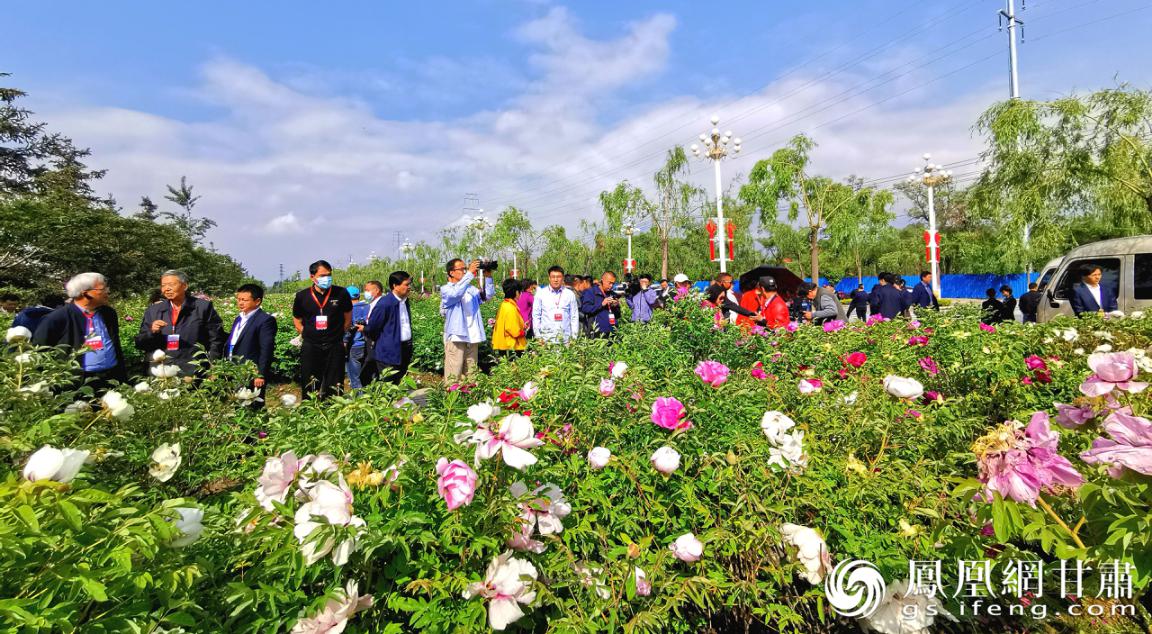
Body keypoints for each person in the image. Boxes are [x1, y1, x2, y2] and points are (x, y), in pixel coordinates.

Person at [33, 272, 127, 391]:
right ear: (86, 293)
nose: (107, 291)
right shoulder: (58, 318)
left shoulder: (108, 313)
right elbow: (40, 350)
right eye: (102, 289)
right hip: (78, 382)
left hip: (111, 378)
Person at [135, 269, 225, 375]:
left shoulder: (202, 307)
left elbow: (216, 339)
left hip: (194, 371)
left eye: (171, 284)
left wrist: (212, 366)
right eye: (163, 285)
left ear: (185, 286)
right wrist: (152, 331)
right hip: (162, 371)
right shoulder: (154, 310)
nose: (167, 289)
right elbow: (140, 343)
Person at [292, 260, 354, 400]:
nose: (327, 278)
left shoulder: (341, 293)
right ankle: (310, 413)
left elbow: (348, 318)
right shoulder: (302, 296)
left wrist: (337, 335)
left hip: (334, 345)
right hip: (311, 345)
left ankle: (333, 411)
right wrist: (307, 334)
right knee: (310, 381)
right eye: (322, 275)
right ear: (312, 277)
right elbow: (297, 319)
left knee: (335, 382)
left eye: (329, 275)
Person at [440, 258, 495, 378]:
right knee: (454, 374)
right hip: (457, 336)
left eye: (466, 269)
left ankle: (471, 396)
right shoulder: (446, 289)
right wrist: (470, 273)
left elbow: (488, 296)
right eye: (462, 269)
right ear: (451, 272)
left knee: (472, 374)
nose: (465, 271)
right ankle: (452, 395)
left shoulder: (471, 289)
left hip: (472, 335)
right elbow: (456, 294)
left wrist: (488, 277)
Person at [227, 283, 277, 408]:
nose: (240, 303)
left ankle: (258, 428)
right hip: (235, 368)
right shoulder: (239, 319)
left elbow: (266, 349)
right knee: (237, 406)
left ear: (257, 301)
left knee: (253, 407)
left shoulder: (265, 320)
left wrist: (260, 374)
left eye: (244, 300)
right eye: (238, 299)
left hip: (251, 372)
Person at [365, 271, 415, 385]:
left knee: (400, 382)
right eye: (406, 284)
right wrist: (386, 341)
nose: (409, 287)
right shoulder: (385, 304)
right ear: (395, 286)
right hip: (389, 352)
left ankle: (398, 402)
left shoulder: (404, 301)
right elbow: (372, 328)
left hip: (404, 349)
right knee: (388, 385)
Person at [532, 265, 580, 343]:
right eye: (553, 277)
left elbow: (574, 316)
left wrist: (574, 338)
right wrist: (538, 337)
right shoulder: (541, 294)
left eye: (558, 277)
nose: (556, 280)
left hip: (565, 341)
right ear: (549, 278)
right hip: (546, 341)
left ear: (563, 278)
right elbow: (536, 316)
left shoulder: (569, 294)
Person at [356, 280, 385, 383]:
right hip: (371, 341)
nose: (366, 293)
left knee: (367, 373)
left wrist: (364, 328)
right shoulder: (371, 304)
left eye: (367, 290)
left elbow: (378, 325)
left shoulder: (381, 305)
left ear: (376, 290)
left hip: (378, 342)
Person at [581, 271, 622, 338]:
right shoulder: (591, 292)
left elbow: (618, 315)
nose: (611, 286)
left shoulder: (612, 294)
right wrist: (602, 304)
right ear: (602, 280)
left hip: (612, 332)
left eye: (613, 283)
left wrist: (616, 306)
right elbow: (585, 309)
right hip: (597, 332)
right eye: (609, 283)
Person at [493, 278, 527, 356]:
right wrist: (523, 331)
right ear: (516, 292)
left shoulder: (504, 304)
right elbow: (514, 331)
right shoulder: (510, 308)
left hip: (504, 343)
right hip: (512, 345)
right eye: (520, 292)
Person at [345, 286, 368, 393]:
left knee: (355, 378)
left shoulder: (349, 310)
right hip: (367, 345)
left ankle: (360, 403)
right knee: (366, 376)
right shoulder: (368, 307)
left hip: (353, 346)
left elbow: (347, 329)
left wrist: (344, 342)